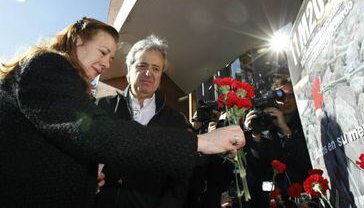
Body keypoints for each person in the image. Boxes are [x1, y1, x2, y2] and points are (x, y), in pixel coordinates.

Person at [0, 17, 245, 207]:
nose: (107, 64)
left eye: (111, 57)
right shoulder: (49, 66)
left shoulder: (174, 120)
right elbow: (99, 136)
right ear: (77, 41)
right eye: (103, 52)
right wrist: (199, 142)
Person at [95, 35, 191, 208]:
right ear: (128, 70)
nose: (149, 73)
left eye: (156, 68)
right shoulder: (101, 107)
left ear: (161, 75)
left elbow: (179, 180)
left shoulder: (175, 121)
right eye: (142, 65)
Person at [243, 79, 312, 207]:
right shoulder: (264, 125)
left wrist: (285, 130)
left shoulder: (307, 121)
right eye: (281, 96)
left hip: (305, 197)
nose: (286, 100)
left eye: (291, 95)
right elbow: (257, 169)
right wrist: (254, 134)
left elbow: (307, 162)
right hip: (275, 200)